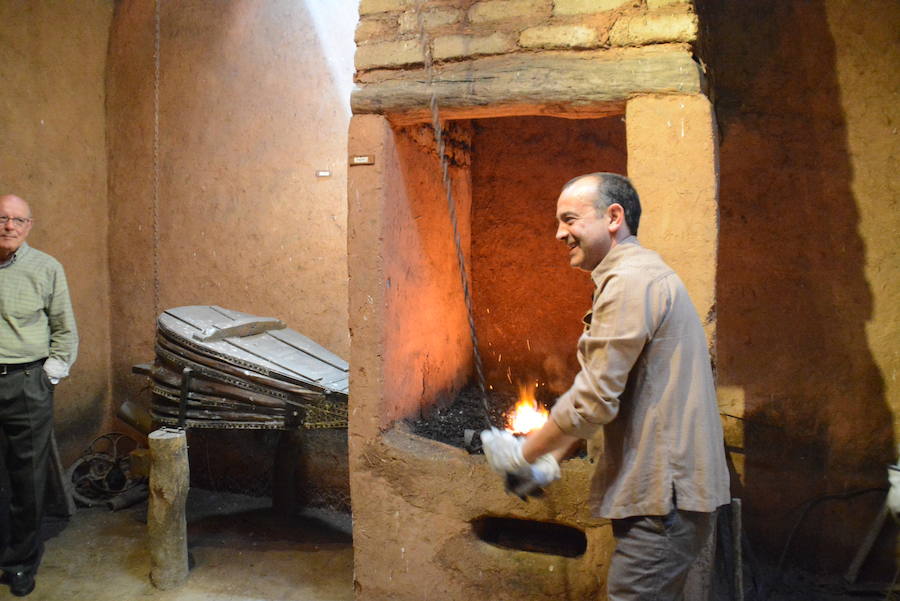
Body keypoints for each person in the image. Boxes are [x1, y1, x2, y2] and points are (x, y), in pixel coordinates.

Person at [481, 173, 730, 600]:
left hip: (662, 498)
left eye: (570, 220)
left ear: (613, 217)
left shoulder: (631, 281)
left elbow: (594, 397)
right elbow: (614, 394)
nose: (560, 233)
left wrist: (524, 452)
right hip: (661, 496)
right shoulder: (634, 275)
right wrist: (549, 463)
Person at [0, 194, 78, 597]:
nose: (8, 226)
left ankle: (18, 562)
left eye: (17, 220)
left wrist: (48, 376)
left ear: (29, 226)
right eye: (1, 218)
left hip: (26, 382)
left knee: (27, 477)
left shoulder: (46, 268)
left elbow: (65, 328)